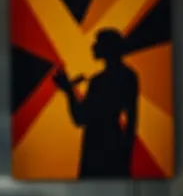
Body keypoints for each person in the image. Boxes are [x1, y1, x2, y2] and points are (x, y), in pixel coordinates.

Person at [52, 28, 138, 178]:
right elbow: (132, 122)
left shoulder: (99, 81)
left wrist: (68, 91)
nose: (93, 46)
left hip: (95, 149)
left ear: (107, 48)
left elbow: (80, 118)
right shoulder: (128, 76)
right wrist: (125, 155)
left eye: (98, 42)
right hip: (115, 147)